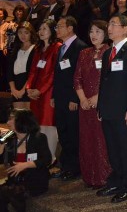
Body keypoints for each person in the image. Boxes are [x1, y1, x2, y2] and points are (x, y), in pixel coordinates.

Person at [96, 15, 127, 203]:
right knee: (113, 149)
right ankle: (116, 180)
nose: (110, 27)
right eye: (109, 24)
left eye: (114, 24)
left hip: (124, 110)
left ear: (125, 29)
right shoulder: (108, 53)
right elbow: (103, 83)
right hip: (108, 109)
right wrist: (100, 107)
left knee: (126, 149)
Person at [73, 20, 111, 188]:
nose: (93, 35)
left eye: (98, 31)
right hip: (85, 105)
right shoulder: (84, 53)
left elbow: (111, 80)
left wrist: (98, 97)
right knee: (87, 139)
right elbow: (77, 78)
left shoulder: (110, 51)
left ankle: (104, 177)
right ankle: (89, 176)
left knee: (101, 140)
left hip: (103, 103)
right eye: (91, 31)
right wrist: (82, 99)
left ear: (105, 33)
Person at [51, 16, 87, 181]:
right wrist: (53, 95)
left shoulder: (80, 47)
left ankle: (74, 168)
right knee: (63, 133)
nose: (56, 29)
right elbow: (58, 75)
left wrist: (75, 98)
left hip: (72, 99)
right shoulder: (61, 48)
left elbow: (80, 75)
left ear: (70, 28)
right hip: (60, 97)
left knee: (72, 134)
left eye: (59, 26)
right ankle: (65, 166)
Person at [0, 109, 52, 212]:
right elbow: (4, 161)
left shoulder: (39, 138)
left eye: (11, 119)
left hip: (35, 180)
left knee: (14, 194)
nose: (7, 123)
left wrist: (25, 165)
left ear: (22, 122)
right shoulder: (10, 138)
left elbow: (47, 160)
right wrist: (1, 151)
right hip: (15, 181)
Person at [26, 19, 61, 163]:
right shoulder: (37, 49)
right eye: (40, 29)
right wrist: (29, 88)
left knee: (48, 124)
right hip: (35, 92)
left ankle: (50, 158)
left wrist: (40, 90)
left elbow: (54, 73)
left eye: (45, 28)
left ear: (52, 30)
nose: (41, 32)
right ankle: (38, 158)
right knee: (37, 124)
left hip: (48, 92)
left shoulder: (57, 47)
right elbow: (33, 71)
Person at [7, 22, 37, 110]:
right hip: (16, 85)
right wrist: (13, 89)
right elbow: (9, 71)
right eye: (20, 32)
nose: (23, 35)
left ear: (31, 34)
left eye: (26, 32)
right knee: (17, 117)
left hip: (28, 86)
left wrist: (23, 90)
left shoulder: (35, 49)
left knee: (27, 118)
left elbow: (32, 71)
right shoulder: (15, 48)